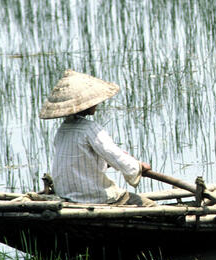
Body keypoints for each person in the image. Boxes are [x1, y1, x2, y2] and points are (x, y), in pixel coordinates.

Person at [39, 69, 156, 206]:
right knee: (150, 206)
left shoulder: (62, 130)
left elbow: (79, 159)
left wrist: (105, 162)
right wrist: (138, 166)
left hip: (65, 194)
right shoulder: (90, 129)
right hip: (93, 197)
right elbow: (115, 155)